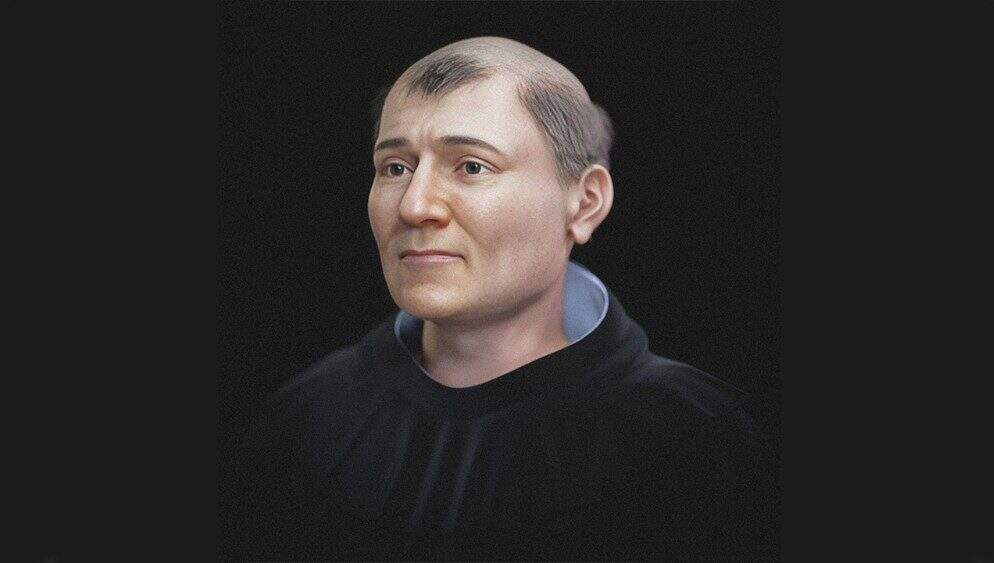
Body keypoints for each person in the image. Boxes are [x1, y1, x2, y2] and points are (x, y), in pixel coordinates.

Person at [227, 36, 774, 560]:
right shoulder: (304, 422)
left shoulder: (697, 442)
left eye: (472, 166)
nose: (415, 206)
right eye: (396, 168)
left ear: (584, 203)